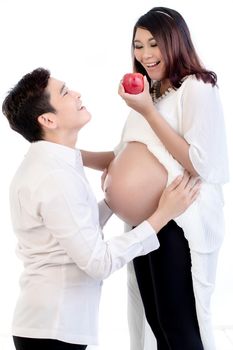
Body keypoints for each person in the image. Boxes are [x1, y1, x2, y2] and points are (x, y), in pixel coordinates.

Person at [1, 67, 200, 350]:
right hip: (54, 331)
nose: (76, 94)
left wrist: (111, 202)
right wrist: (162, 215)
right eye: (65, 92)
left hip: (51, 327)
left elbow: (74, 231)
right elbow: (98, 262)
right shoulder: (53, 178)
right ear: (48, 119)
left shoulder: (52, 165)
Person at [81, 6, 229, 350]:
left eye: (153, 44)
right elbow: (123, 154)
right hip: (144, 226)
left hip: (179, 221)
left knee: (180, 327)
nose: (145, 54)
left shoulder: (198, 87)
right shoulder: (152, 90)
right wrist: (70, 155)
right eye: (138, 45)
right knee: (157, 323)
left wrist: (147, 110)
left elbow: (202, 164)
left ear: (175, 42)